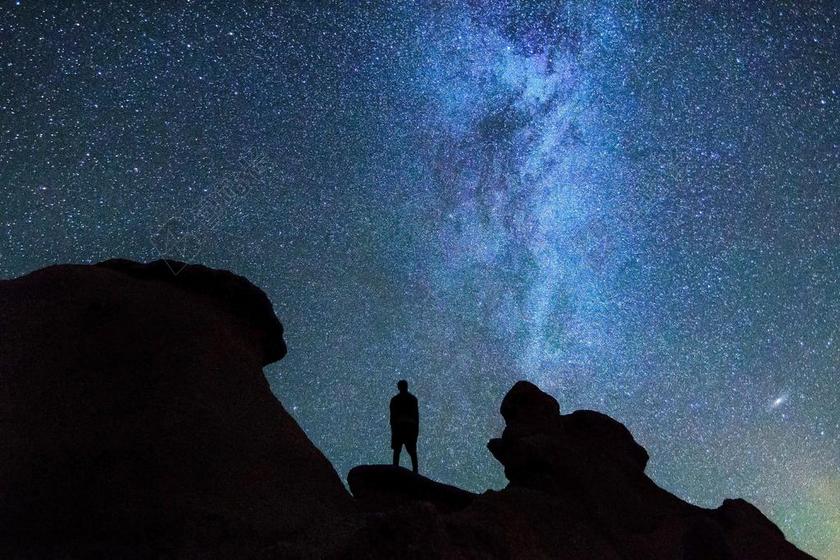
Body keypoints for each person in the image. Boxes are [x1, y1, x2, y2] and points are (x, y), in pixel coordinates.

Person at [390, 379, 419, 473]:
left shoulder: (395, 400)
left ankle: (395, 469)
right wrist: (416, 432)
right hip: (410, 427)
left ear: (399, 387)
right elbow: (416, 417)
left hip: (399, 427)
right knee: (412, 451)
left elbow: (392, 417)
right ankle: (415, 471)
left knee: (397, 450)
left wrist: (393, 430)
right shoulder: (413, 399)